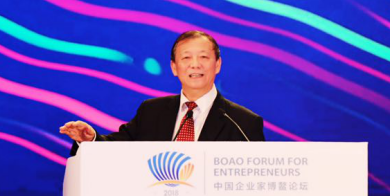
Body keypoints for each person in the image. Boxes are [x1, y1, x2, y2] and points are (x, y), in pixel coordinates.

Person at [60, 30, 266, 155]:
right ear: (174, 67)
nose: (195, 65)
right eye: (186, 58)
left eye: (203, 57)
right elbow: (117, 150)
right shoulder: (151, 112)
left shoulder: (243, 122)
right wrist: (90, 140)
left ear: (218, 64)